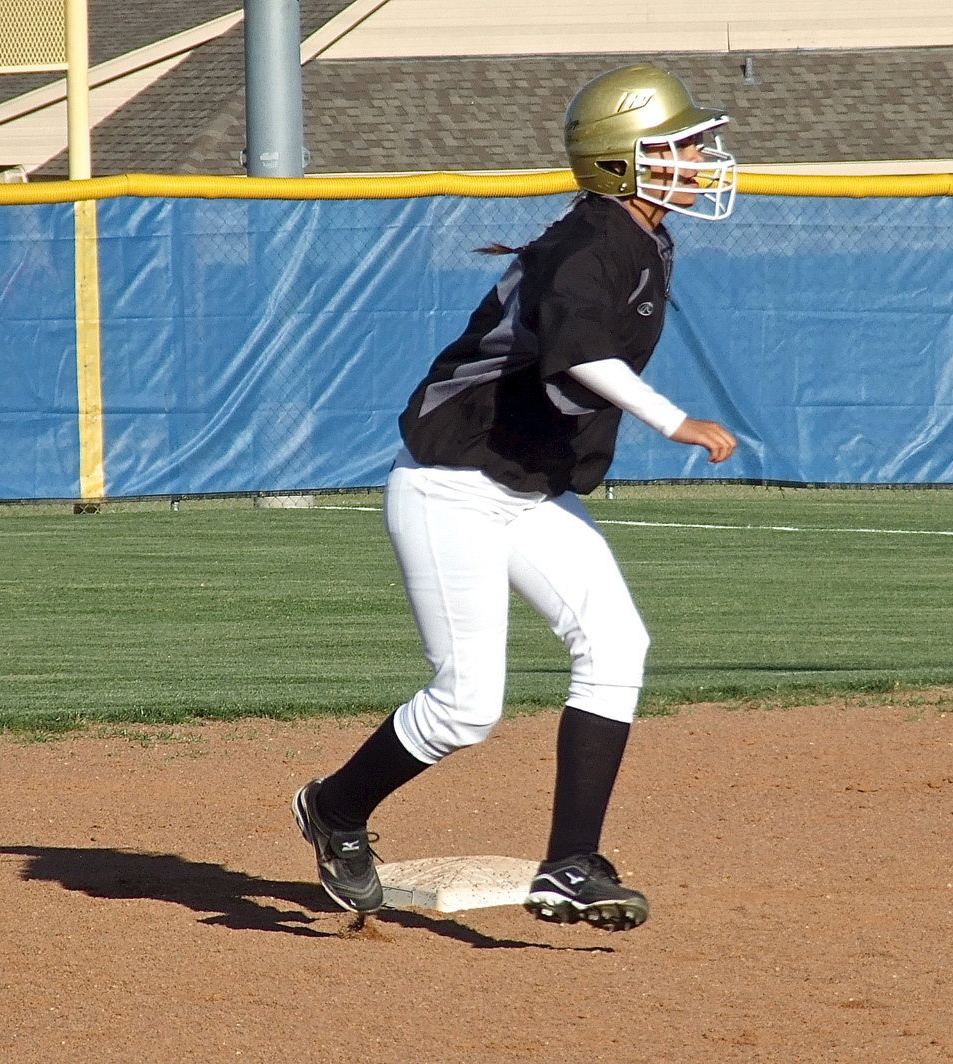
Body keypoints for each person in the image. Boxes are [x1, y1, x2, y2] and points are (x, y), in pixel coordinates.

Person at [293, 64, 739, 932]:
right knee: (466, 706)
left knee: (617, 642)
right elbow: (576, 355)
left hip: (525, 492)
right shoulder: (586, 243)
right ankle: (335, 809)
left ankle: (571, 866)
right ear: (621, 163)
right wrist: (672, 419)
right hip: (452, 486)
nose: (696, 158)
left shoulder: (639, 236)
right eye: (674, 146)